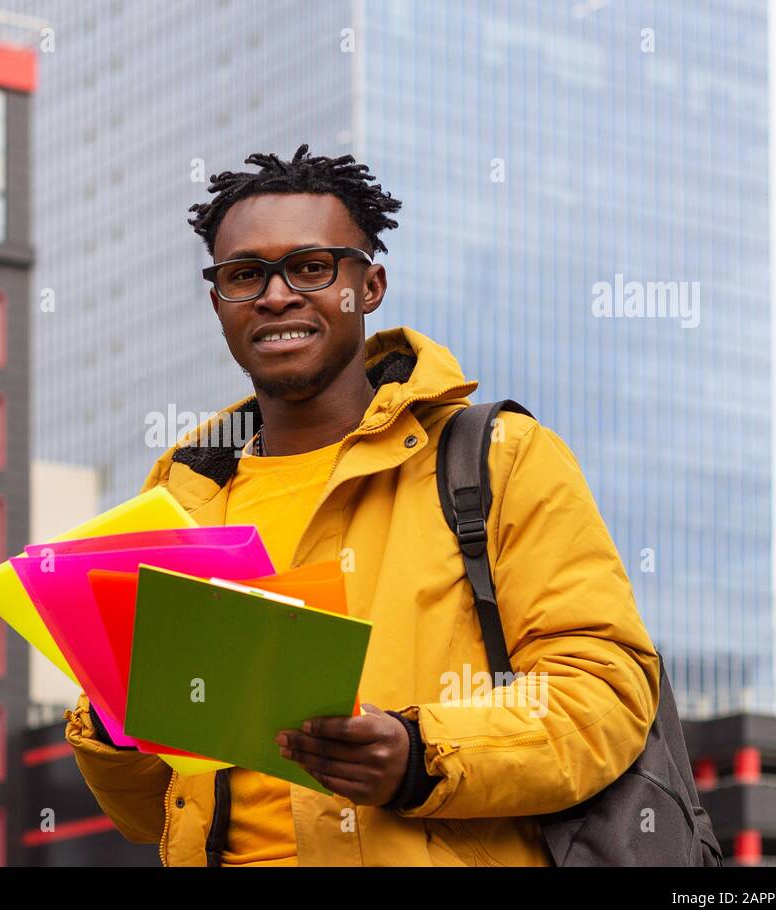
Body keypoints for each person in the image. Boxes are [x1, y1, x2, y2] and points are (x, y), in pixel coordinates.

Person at [63, 144, 660, 866]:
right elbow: (142, 811)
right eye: (244, 275)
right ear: (219, 300)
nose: (276, 295)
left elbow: (605, 692)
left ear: (369, 285)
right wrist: (112, 709)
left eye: (311, 267)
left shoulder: (497, 457)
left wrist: (418, 754)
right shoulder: (182, 501)